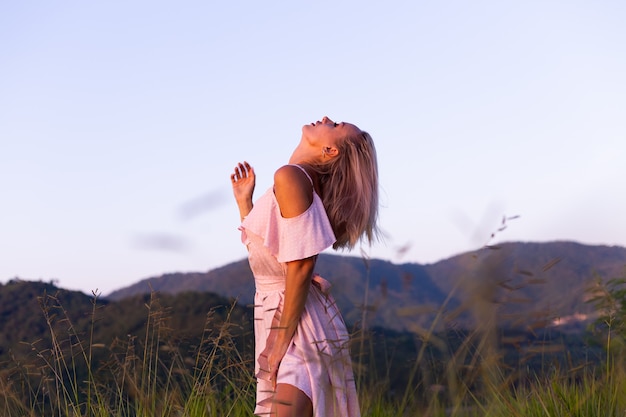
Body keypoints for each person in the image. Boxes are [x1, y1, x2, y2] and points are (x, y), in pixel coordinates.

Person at [230, 116, 379, 417]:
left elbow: (300, 268)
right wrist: (245, 203)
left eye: (336, 126)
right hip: (290, 318)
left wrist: (280, 342)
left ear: (330, 151)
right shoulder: (296, 181)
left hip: (299, 328)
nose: (325, 118)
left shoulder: (292, 177)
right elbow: (267, 260)